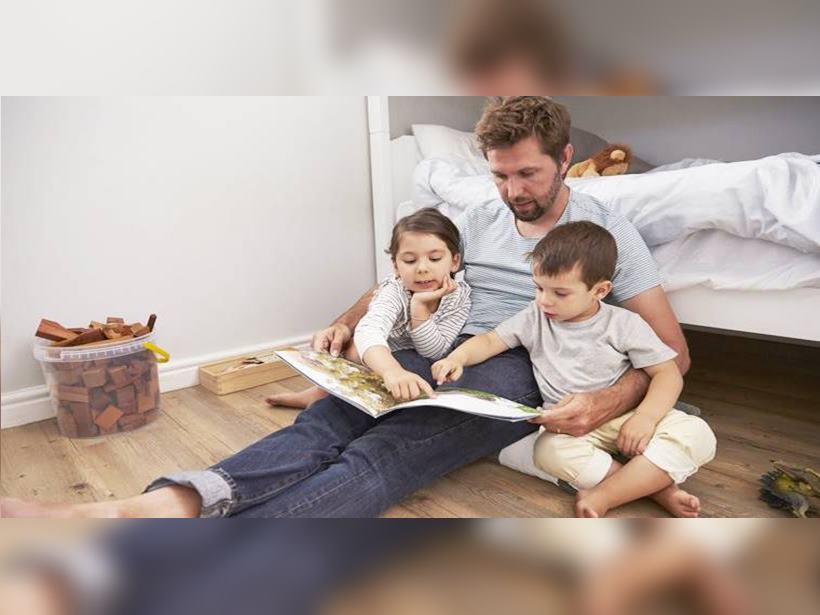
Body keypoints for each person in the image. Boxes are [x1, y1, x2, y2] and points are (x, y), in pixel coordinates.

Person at [1, 96, 691, 518]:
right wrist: (344, 321)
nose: (512, 190)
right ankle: (152, 507)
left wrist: (606, 402)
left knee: (385, 450)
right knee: (325, 424)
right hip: (436, 347)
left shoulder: (605, 232)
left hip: (521, 366)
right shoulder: (479, 213)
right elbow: (410, 274)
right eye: (499, 173)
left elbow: (671, 354)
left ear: (565, 157)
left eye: (528, 173)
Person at [432, 221, 716, 517]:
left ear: (600, 290)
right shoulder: (535, 317)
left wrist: (646, 418)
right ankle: (657, 489)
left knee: (697, 433)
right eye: (539, 288)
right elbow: (491, 340)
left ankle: (605, 494)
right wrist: (458, 358)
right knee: (548, 451)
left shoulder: (622, 324)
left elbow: (667, 372)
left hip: (626, 417)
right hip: (570, 430)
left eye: (560, 293)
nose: (544, 300)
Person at [266, 208, 470, 409]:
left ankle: (320, 396)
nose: (422, 268)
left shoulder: (459, 298)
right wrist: (391, 370)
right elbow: (369, 330)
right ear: (396, 266)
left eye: (434, 259)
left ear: (454, 261)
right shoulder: (395, 290)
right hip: (379, 353)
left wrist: (420, 311)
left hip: (413, 356)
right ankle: (320, 393)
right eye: (410, 261)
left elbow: (436, 352)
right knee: (355, 347)